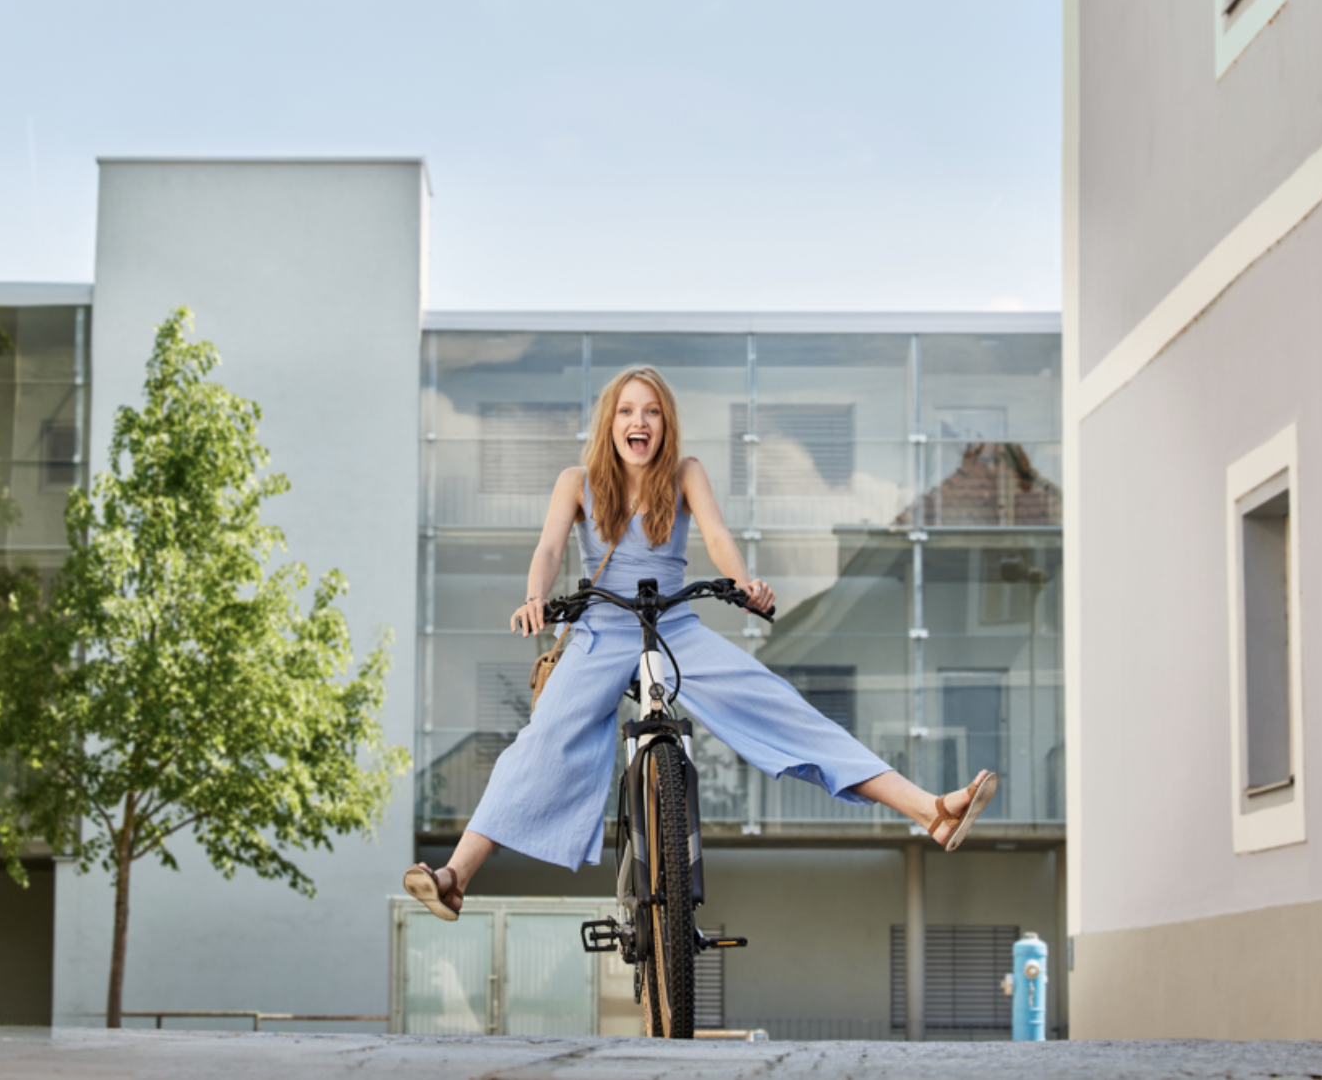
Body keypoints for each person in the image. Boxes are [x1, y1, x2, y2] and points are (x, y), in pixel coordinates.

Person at [403, 365, 996, 919]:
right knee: (540, 741)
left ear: (666, 424)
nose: (640, 422)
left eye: (653, 412)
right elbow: (550, 550)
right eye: (628, 411)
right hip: (600, 629)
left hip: (674, 624)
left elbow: (716, 537)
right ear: (610, 422)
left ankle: (931, 811)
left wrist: (743, 585)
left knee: (780, 705)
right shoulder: (576, 483)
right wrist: (536, 594)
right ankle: (456, 877)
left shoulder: (684, 474)